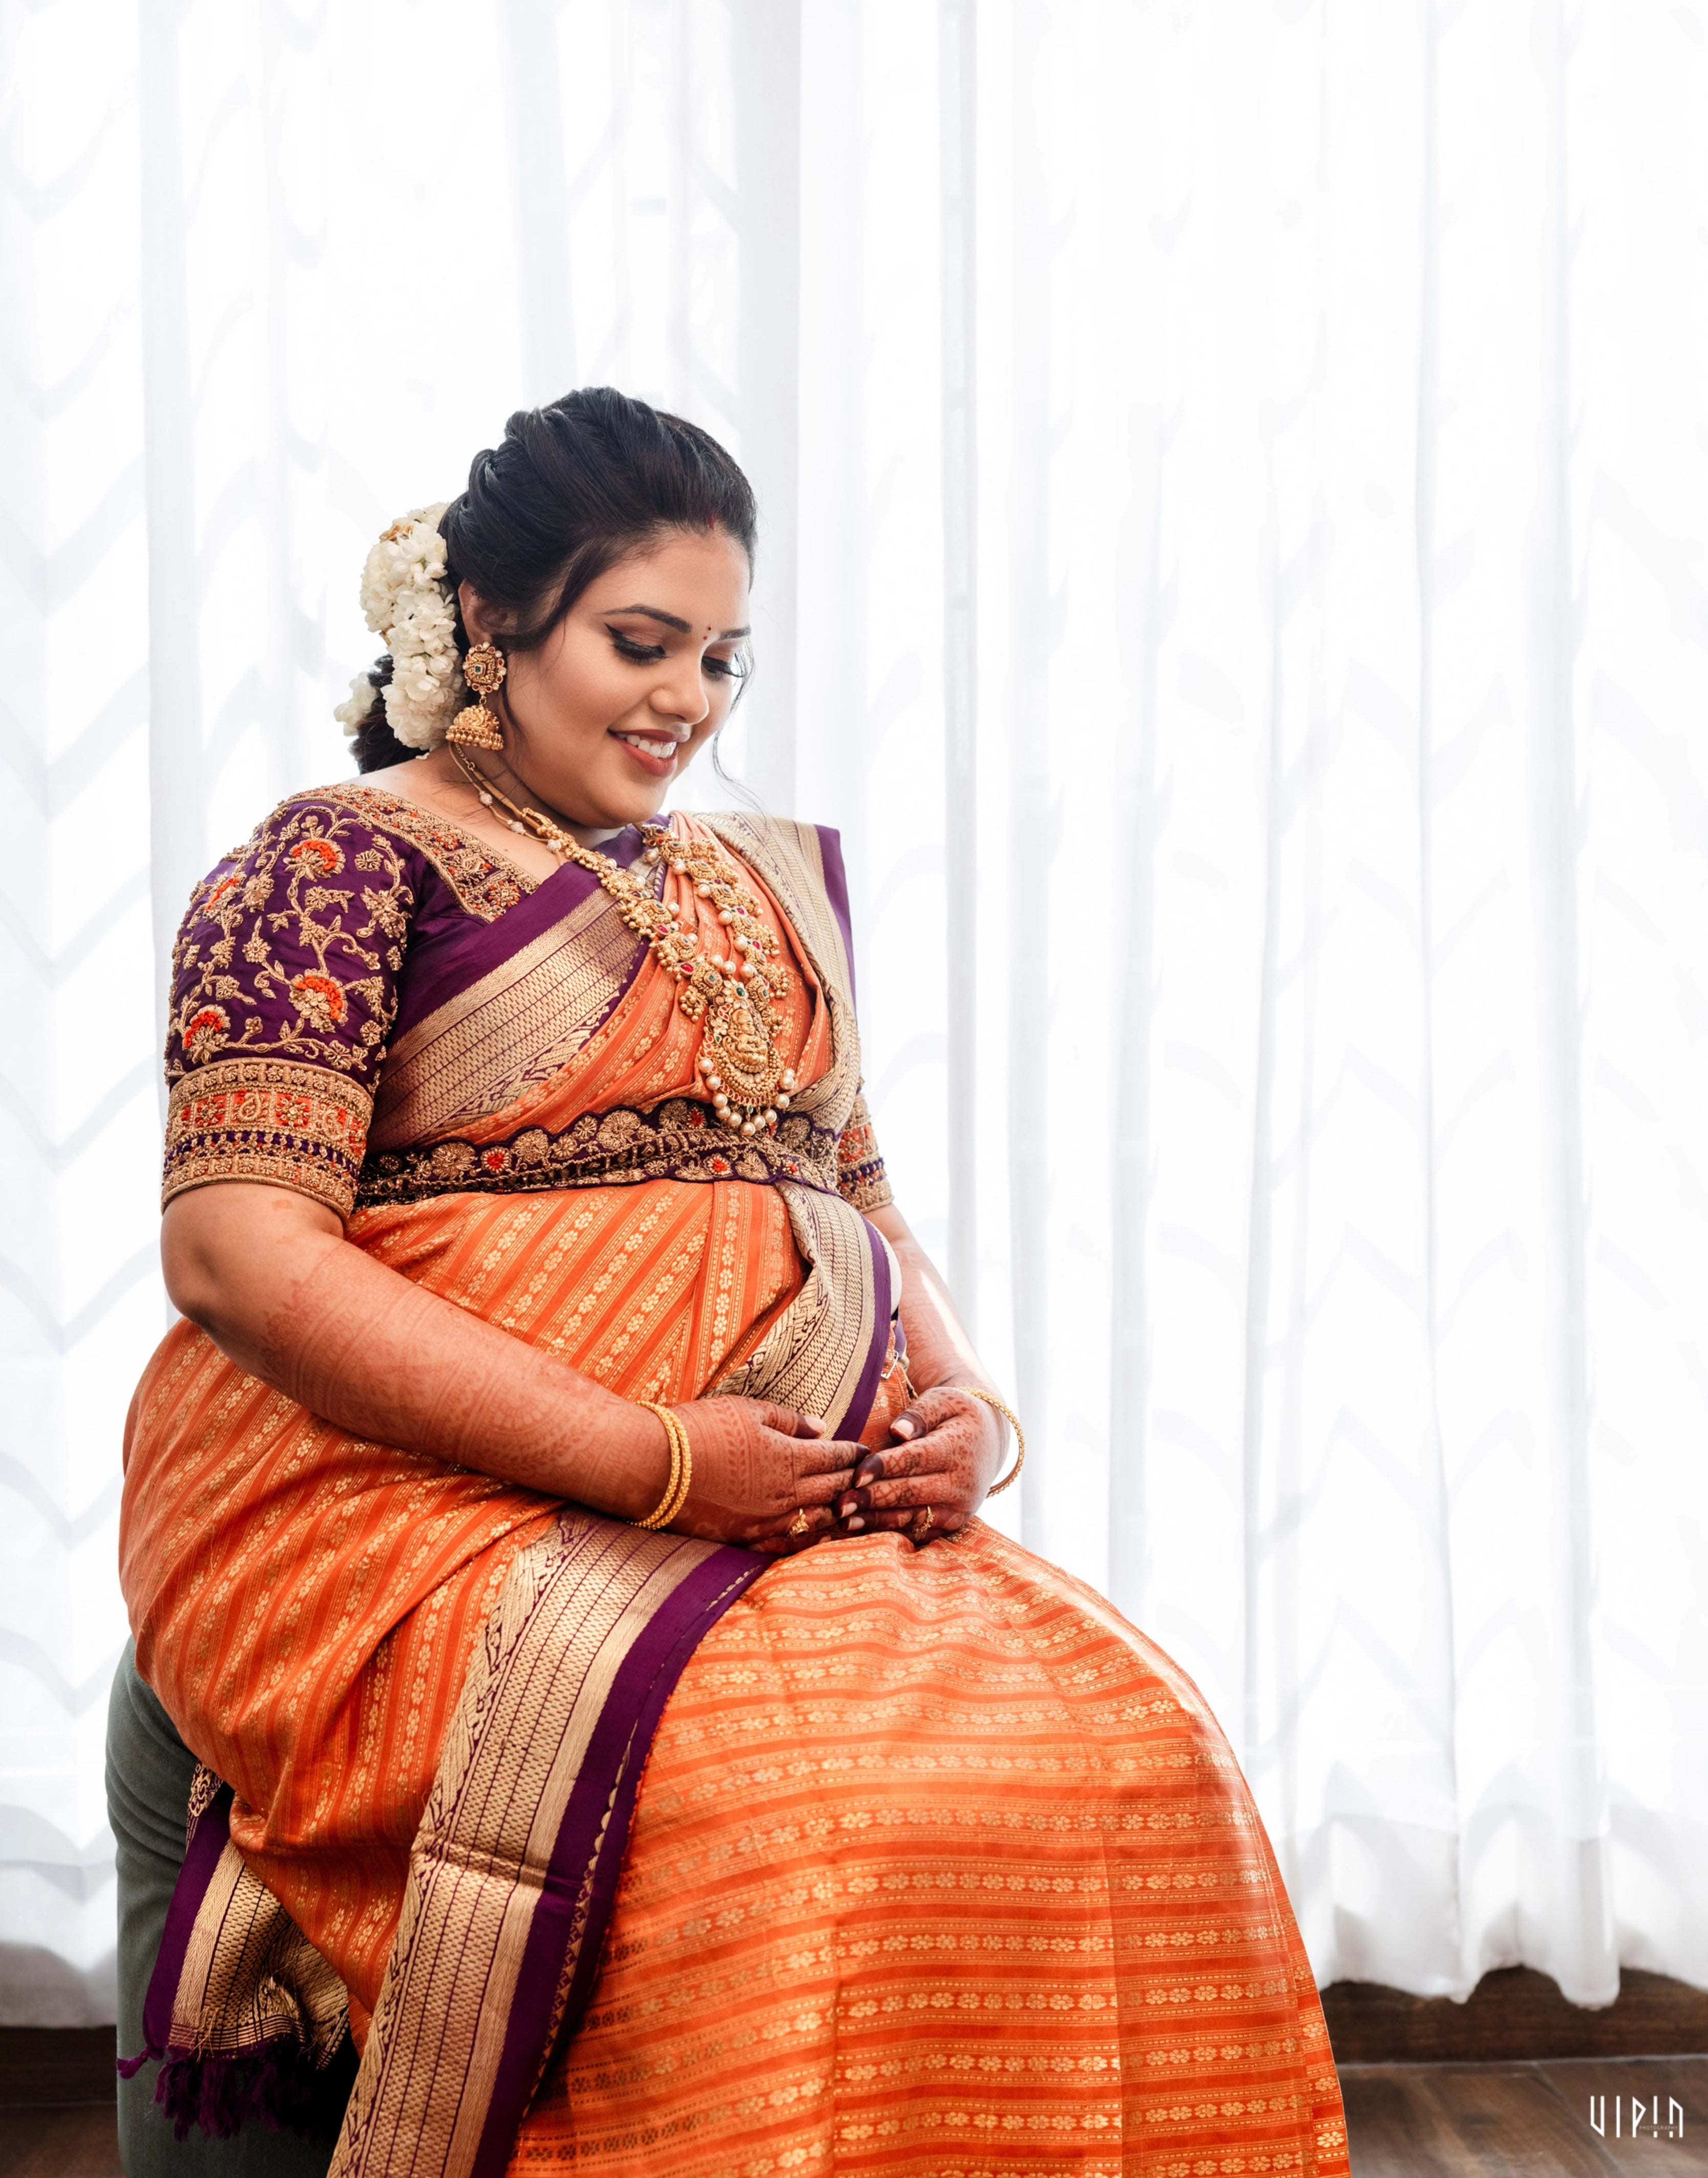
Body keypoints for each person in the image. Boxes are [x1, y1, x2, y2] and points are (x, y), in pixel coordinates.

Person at [111, 387, 1348, 2178]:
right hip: (412, 1509)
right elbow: (235, 1252)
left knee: (1121, 1762)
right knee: (781, 1821)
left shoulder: (756, 897)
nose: (686, 700)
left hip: (777, 1513)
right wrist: (655, 1462)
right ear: (489, 623)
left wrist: (965, 1420)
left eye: (722, 657)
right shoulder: (335, 864)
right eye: (641, 642)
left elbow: (860, 1208)